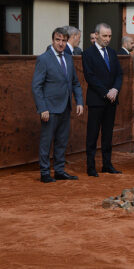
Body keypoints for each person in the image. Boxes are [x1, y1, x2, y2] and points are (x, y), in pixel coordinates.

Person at [31, 27, 84, 183]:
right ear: (53, 40)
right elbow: (36, 86)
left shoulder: (68, 58)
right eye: (57, 40)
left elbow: (75, 83)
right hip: (49, 108)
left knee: (62, 141)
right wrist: (42, 108)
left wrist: (79, 101)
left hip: (65, 107)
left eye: (63, 40)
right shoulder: (44, 59)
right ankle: (45, 172)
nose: (61, 43)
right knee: (46, 142)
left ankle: (59, 170)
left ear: (67, 41)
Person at [82, 23, 123, 177]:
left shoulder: (112, 52)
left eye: (109, 36)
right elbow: (90, 77)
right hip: (97, 100)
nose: (107, 39)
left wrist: (115, 90)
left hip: (111, 100)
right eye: (105, 36)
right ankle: (91, 166)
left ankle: (107, 164)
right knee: (92, 134)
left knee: (107, 135)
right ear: (97, 35)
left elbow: (119, 74)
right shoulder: (88, 54)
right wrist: (106, 92)